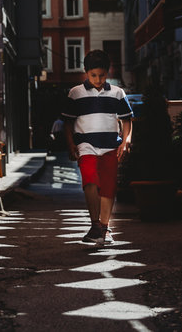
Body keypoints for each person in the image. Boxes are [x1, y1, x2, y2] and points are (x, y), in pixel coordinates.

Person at [62, 49, 133, 246]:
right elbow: (68, 123)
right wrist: (71, 145)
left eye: (102, 75)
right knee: (90, 180)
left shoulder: (118, 93)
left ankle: (104, 227)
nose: (98, 79)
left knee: (109, 187)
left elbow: (127, 121)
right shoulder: (75, 93)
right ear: (86, 72)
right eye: (93, 75)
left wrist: (126, 141)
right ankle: (95, 225)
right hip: (86, 146)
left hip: (111, 147)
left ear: (108, 72)